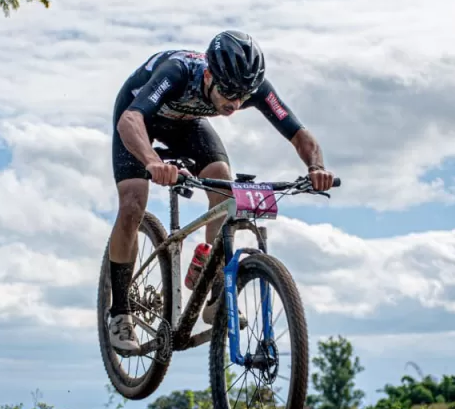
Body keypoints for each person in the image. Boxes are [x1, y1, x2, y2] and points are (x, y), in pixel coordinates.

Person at [106, 30, 335, 353]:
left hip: (187, 124)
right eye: (228, 92)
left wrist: (316, 167)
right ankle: (120, 312)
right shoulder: (177, 72)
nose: (235, 103)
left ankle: (214, 295)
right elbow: (131, 119)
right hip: (139, 120)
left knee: (223, 183)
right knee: (132, 205)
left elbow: (300, 135)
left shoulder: (250, 89)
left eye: (243, 95)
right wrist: (153, 161)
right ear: (210, 75)